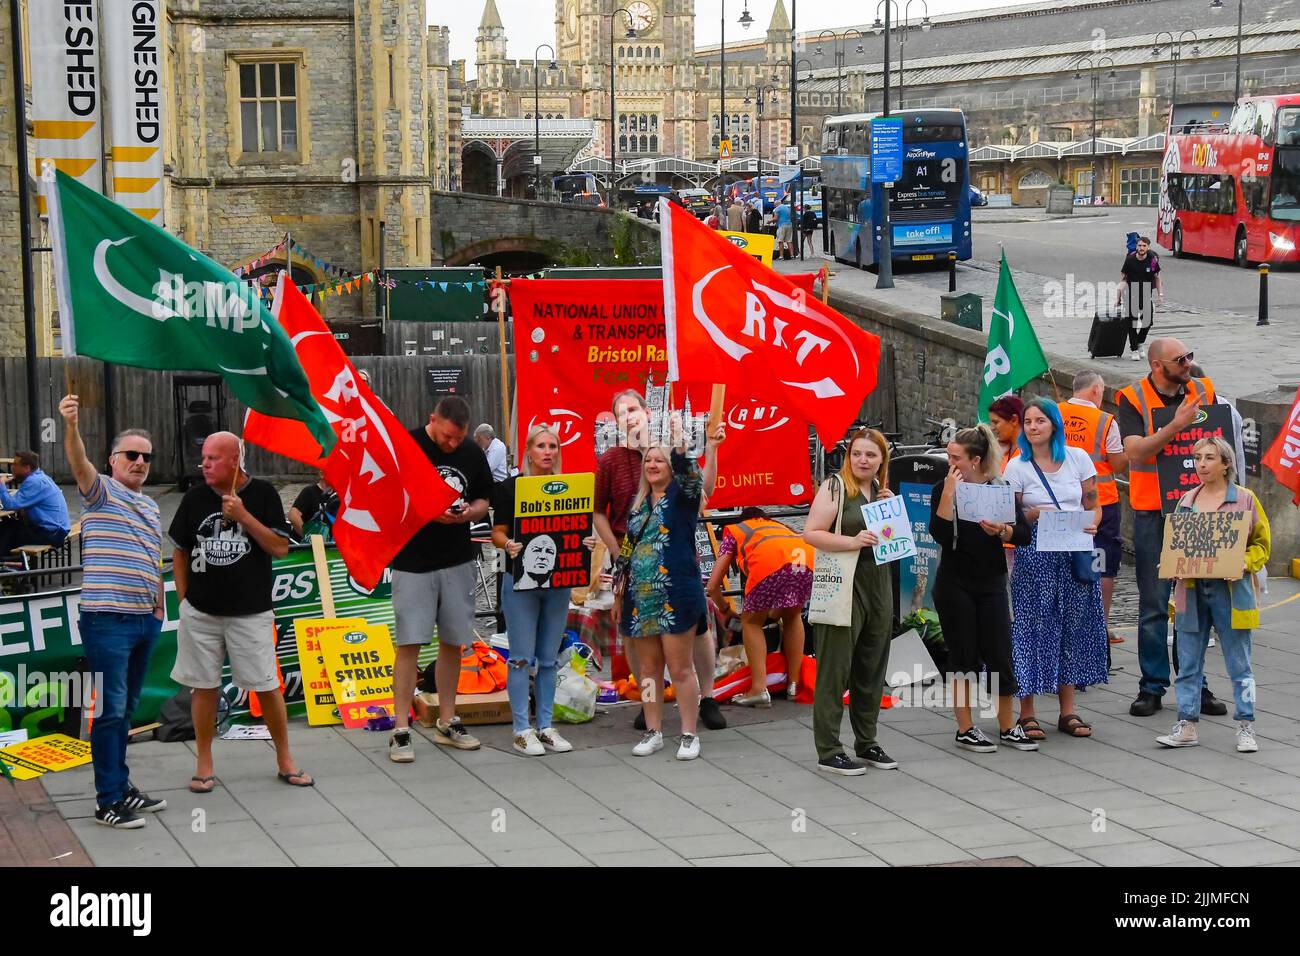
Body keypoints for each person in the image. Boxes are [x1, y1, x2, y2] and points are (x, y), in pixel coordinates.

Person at [169, 432, 313, 792]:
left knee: (266, 686)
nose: (204, 464)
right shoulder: (195, 497)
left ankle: (285, 758)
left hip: (250, 611)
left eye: (213, 458)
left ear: (235, 461)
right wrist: (184, 602)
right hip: (201, 612)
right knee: (203, 687)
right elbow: (180, 550)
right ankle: (204, 762)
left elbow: (280, 547)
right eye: (203, 457)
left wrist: (244, 516)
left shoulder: (263, 494)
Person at [57, 395, 166, 829]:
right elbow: (78, 461)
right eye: (132, 455)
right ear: (113, 460)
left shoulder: (152, 505)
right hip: (107, 621)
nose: (140, 462)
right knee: (110, 712)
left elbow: (152, 556)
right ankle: (107, 801)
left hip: (143, 621)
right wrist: (70, 425)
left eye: (146, 457)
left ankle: (121, 787)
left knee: (127, 709)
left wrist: (158, 606)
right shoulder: (101, 491)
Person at [593, 388, 727, 732]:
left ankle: (706, 697)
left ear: (647, 411)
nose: (629, 415)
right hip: (631, 560)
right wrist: (614, 549)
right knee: (637, 642)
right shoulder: (610, 461)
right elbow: (598, 511)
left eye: (633, 408)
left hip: (676, 559)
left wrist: (710, 449)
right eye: (621, 411)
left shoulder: (670, 451)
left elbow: (702, 491)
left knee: (696, 632)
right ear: (615, 420)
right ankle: (648, 701)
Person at [1117, 337, 1227, 718]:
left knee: (1194, 602)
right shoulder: (1132, 397)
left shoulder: (1202, 388)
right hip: (1152, 511)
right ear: (1157, 365)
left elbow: (1216, 441)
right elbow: (1134, 452)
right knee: (1152, 603)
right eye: (1180, 359)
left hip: (1195, 508)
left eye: (1189, 356)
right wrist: (1176, 425)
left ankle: (1195, 683)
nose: (1188, 363)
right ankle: (1151, 687)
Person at [387, 395, 494, 762]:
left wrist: (468, 513)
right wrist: (429, 512)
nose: (452, 444)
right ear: (431, 419)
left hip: (457, 558)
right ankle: (401, 728)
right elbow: (391, 496)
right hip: (412, 559)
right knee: (410, 642)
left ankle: (448, 719)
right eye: (447, 437)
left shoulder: (470, 453)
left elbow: (484, 498)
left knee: (454, 642)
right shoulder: (409, 446)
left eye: (457, 438)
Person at [621, 419, 726, 761]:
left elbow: (693, 474)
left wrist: (681, 444)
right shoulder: (637, 506)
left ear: (671, 468)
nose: (652, 465)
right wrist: (619, 587)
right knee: (649, 671)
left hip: (676, 595)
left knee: (681, 669)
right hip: (641, 598)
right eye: (648, 460)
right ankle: (653, 731)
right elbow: (627, 549)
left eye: (660, 460)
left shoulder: (684, 498)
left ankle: (688, 733)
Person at [1004, 399, 1108, 738]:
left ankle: (1068, 710)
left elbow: (1093, 503)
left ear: (1054, 425)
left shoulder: (1077, 458)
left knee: (1072, 627)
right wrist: (1031, 516)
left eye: (1040, 421)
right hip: (1035, 553)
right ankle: (1027, 711)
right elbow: (1010, 517)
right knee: (1033, 628)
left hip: (1074, 549)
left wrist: (1093, 524)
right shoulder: (1017, 467)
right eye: (1029, 422)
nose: (1033, 427)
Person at [1158, 438, 1270, 752]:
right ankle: (1187, 724)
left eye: (1209, 458)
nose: (1202, 464)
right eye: (1197, 458)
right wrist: (1172, 564)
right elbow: (1177, 545)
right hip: (1191, 591)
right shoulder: (1186, 501)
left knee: (1239, 664)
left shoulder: (1245, 500)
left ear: (1225, 464)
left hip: (1232, 591)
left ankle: (1246, 726)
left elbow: (1262, 545)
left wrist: (1243, 563)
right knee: (1189, 662)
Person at [931, 424, 1036, 752]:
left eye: (956, 458)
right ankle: (965, 727)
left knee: (1000, 654)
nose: (950, 463)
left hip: (990, 582)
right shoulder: (943, 487)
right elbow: (940, 534)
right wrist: (948, 493)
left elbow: (1023, 534)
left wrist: (1003, 530)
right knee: (963, 656)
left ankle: (1007, 725)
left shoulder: (998, 487)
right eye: (949, 456)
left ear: (975, 460)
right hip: (954, 582)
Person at [803, 428, 898, 775]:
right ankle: (828, 749)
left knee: (872, 668)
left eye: (871, 455)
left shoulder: (880, 491)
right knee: (835, 669)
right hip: (844, 584)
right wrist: (853, 541)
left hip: (878, 585)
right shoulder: (836, 487)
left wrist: (889, 511)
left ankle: (867, 741)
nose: (863, 460)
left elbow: (890, 541)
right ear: (848, 456)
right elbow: (811, 532)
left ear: (881, 461)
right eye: (857, 453)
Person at [493, 425, 592, 757]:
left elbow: (576, 530)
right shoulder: (511, 488)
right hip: (518, 582)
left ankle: (546, 725)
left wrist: (586, 543)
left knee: (549, 659)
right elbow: (498, 531)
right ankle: (522, 728)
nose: (547, 451)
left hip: (558, 583)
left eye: (553, 446)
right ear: (529, 451)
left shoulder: (571, 488)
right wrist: (507, 544)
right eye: (541, 446)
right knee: (520, 658)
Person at [706, 507, 812, 707]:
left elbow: (712, 586)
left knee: (751, 623)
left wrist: (726, 610)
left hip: (769, 567)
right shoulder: (779, 527)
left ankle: (758, 689)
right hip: (805, 561)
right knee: (792, 616)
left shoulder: (737, 530)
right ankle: (793, 685)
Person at [1060, 372, 1129, 645]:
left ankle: (1066, 623)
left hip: (1061, 500)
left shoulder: (1051, 414)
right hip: (1102, 501)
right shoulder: (1105, 421)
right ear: (1097, 390)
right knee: (1102, 564)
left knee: (1063, 563)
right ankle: (1099, 626)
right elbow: (1118, 464)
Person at [0, 450, 71, 554]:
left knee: (6, 532)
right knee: (8, 524)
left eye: (16, 465)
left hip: (52, 534)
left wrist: (1, 484)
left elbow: (9, 505)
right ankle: (13, 564)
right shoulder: (40, 477)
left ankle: (11, 566)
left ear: (27, 468)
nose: (12, 468)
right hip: (58, 529)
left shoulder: (34, 482)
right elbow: (18, 500)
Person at [1116, 235, 1163, 361]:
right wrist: (1118, 298)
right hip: (1131, 293)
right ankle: (1134, 349)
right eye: (1139, 245)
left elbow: (1157, 278)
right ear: (1136, 247)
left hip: (1146, 294)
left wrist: (1160, 295)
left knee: (1147, 322)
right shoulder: (1130, 260)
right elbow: (1123, 279)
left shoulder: (1152, 260)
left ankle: (1140, 342)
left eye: (1144, 246)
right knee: (1132, 323)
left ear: (1148, 247)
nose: (1141, 248)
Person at [288, 472, 339, 542]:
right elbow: (293, 516)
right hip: (303, 545)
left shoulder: (338, 495)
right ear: (322, 474)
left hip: (328, 543)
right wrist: (308, 536)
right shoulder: (309, 492)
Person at [987, 395, 1024, 472]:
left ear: (1014, 420)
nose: (992, 428)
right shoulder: (998, 449)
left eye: (996, 422)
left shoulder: (1032, 452)